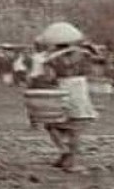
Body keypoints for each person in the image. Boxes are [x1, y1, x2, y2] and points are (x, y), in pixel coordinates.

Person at [33, 21, 101, 174]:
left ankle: (64, 152)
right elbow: (100, 61)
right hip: (79, 88)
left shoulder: (51, 59)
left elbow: (48, 77)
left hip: (62, 88)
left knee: (52, 122)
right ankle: (71, 159)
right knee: (75, 127)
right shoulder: (83, 53)